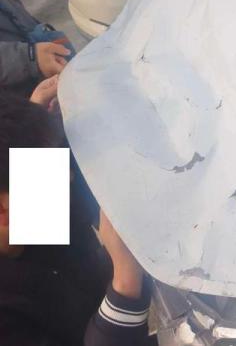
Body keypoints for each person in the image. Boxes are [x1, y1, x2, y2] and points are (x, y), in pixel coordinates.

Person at [0, 85, 153, 346]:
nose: (68, 176)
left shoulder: (27, 214)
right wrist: (125, 283)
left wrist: (36, 128)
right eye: (44, 173)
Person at [0, 0, 72, 90]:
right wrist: (30, 57)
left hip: (33, 49)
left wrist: (35, 35)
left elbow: (10, 3)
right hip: (17, 85)